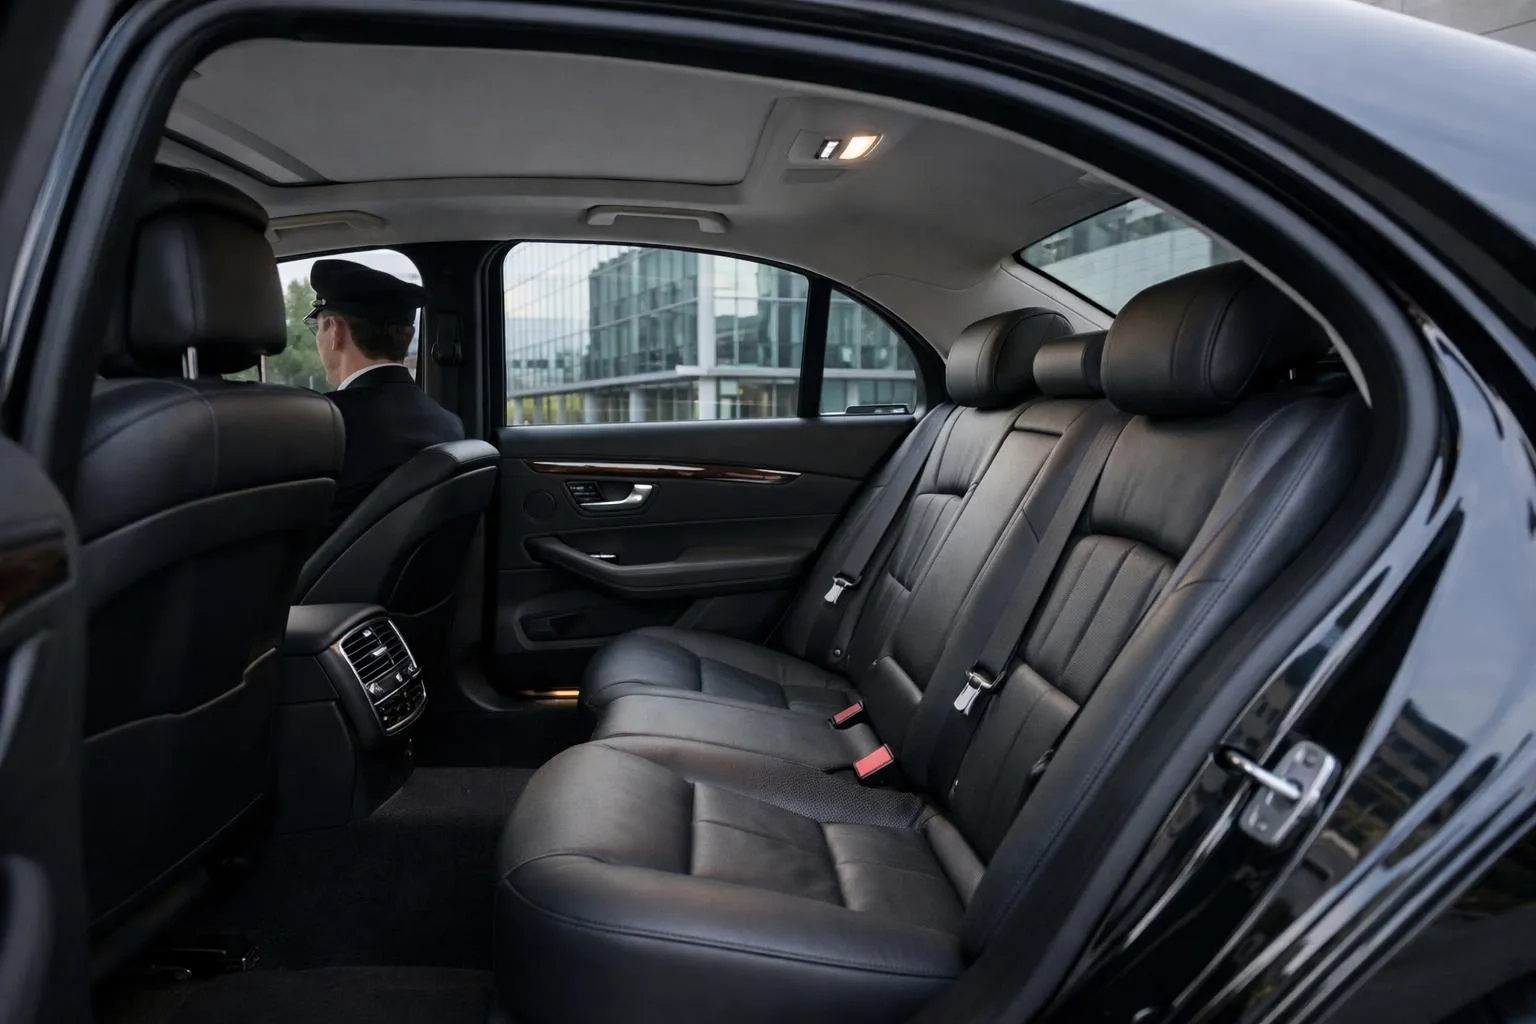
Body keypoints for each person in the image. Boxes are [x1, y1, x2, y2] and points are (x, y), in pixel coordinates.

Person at [308, 258, 464, 531]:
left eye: (317, 327)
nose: (317, 341)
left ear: (335, 331)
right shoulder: (449, 423)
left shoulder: (324, 424)